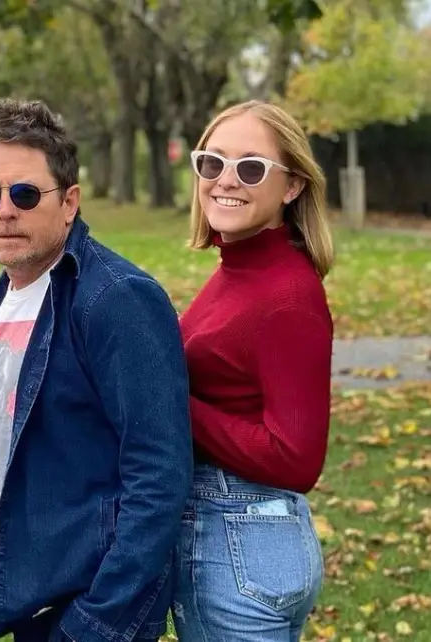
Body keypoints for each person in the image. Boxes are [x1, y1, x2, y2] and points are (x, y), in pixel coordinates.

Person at [0, 98, 194, 642]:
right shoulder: (8, 299)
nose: (4, 210)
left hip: (87, 613)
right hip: (26, 603)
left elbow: (160, 476)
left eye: (25, 193)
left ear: (70, 202)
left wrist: (96, 621)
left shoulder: (116, 299)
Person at [172, 100, 334, 642]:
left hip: (238, 545)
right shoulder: (238, 269)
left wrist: (169, 399)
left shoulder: (286, 294)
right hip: (240, 541)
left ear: (291, 187)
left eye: (251, 167)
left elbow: (297, 458)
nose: (225, 181)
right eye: (212, 163)